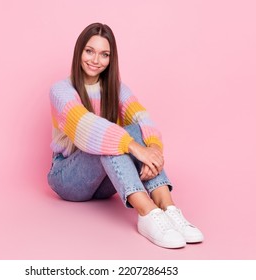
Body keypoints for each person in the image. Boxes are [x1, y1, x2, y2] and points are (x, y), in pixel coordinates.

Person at [47, 23, 203, 249]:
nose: (95, 60)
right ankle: (147, 213)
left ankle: (168, 209)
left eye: (104, 54)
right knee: (111, 138)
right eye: (89, 51)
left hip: (105, 182)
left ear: (111, 59)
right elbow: (86, 125)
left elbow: (143, 120)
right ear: (79, 51)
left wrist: (154, 151)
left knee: (135, 130)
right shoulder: (61, 90)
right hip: (67, 177)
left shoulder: (117, 88)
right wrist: (135, 148)